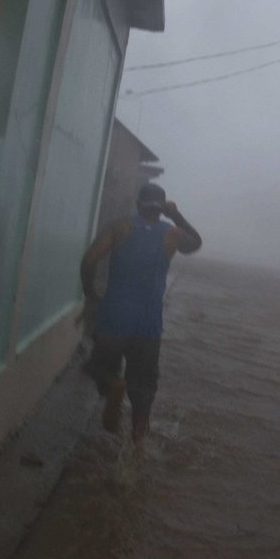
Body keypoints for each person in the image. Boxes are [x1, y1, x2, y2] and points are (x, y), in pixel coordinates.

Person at [80, 183, 202, 443]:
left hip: (114, 317)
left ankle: (113, 384)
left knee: (98, 366)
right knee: (144, 388)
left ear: (138, 205)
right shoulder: (172, 233)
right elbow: (196, 243)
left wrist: (90, 293)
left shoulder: (119, 227)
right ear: (162, 208)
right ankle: (136, 452)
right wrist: (176, 215)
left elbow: (89, 260)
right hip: (148, 324)